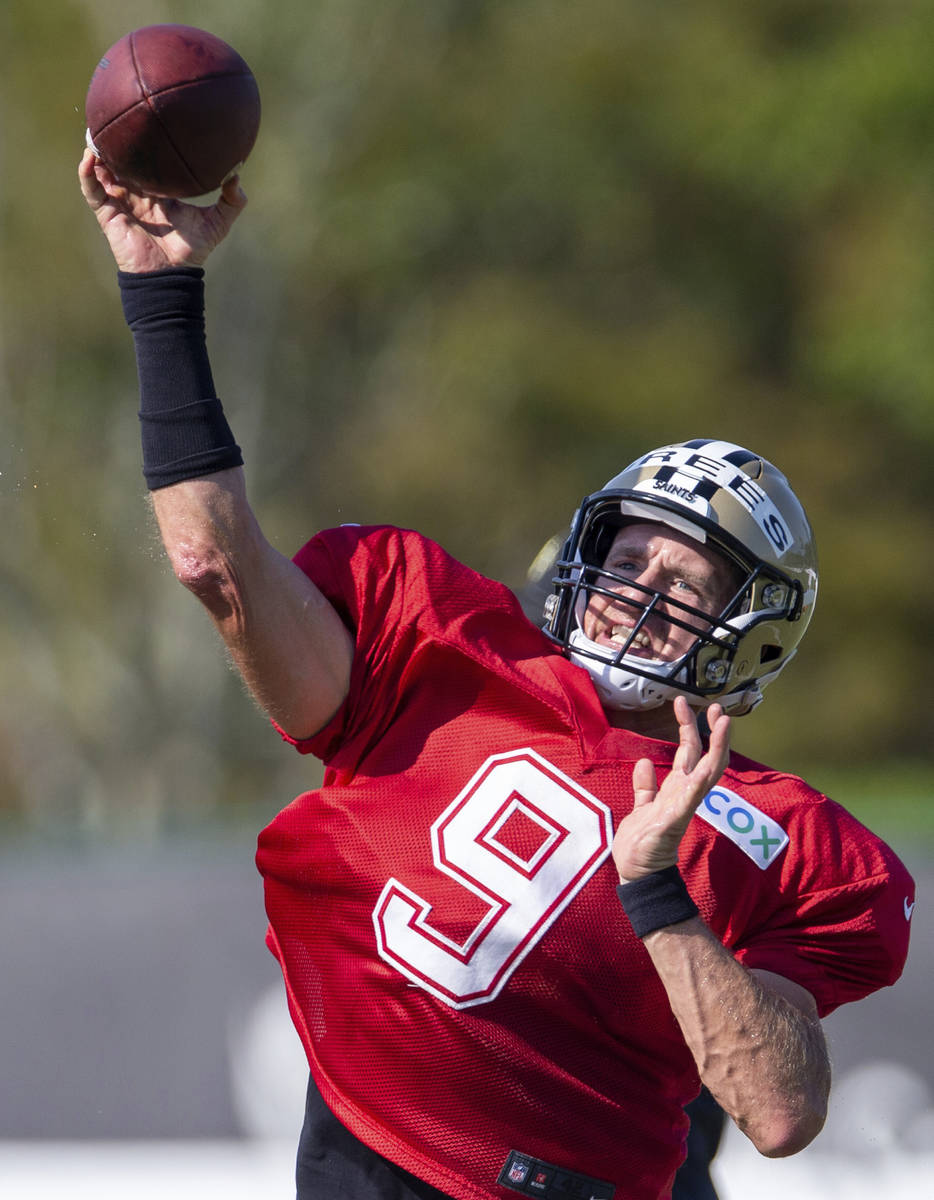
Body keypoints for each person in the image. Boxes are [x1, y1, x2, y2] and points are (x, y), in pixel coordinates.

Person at [79, 148, 914, 1200]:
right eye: (627, 555)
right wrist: (161, 297)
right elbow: (213, 564)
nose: (637, 590)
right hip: (365, 1155)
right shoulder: (435, 639)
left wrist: (657, 889)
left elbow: (780, 1112)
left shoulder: (793, 840)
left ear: (750, 633)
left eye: (686, 578)